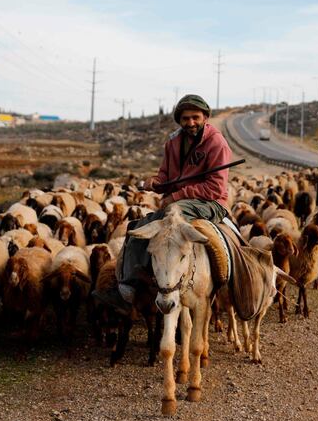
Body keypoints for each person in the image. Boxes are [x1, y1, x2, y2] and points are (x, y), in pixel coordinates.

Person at [99, 94, 233, 313]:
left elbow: (215, 188)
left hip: (211, 203)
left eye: (195, 118)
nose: (190, 123)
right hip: (177, 203)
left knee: (172, 209)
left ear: (205, 117)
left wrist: (176, 196)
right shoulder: (173, 142)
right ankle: (129, 285)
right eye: (185, 118)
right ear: (179, 120)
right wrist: (157, 182)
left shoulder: (216, 143)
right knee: (137, 228)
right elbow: (166, 177)